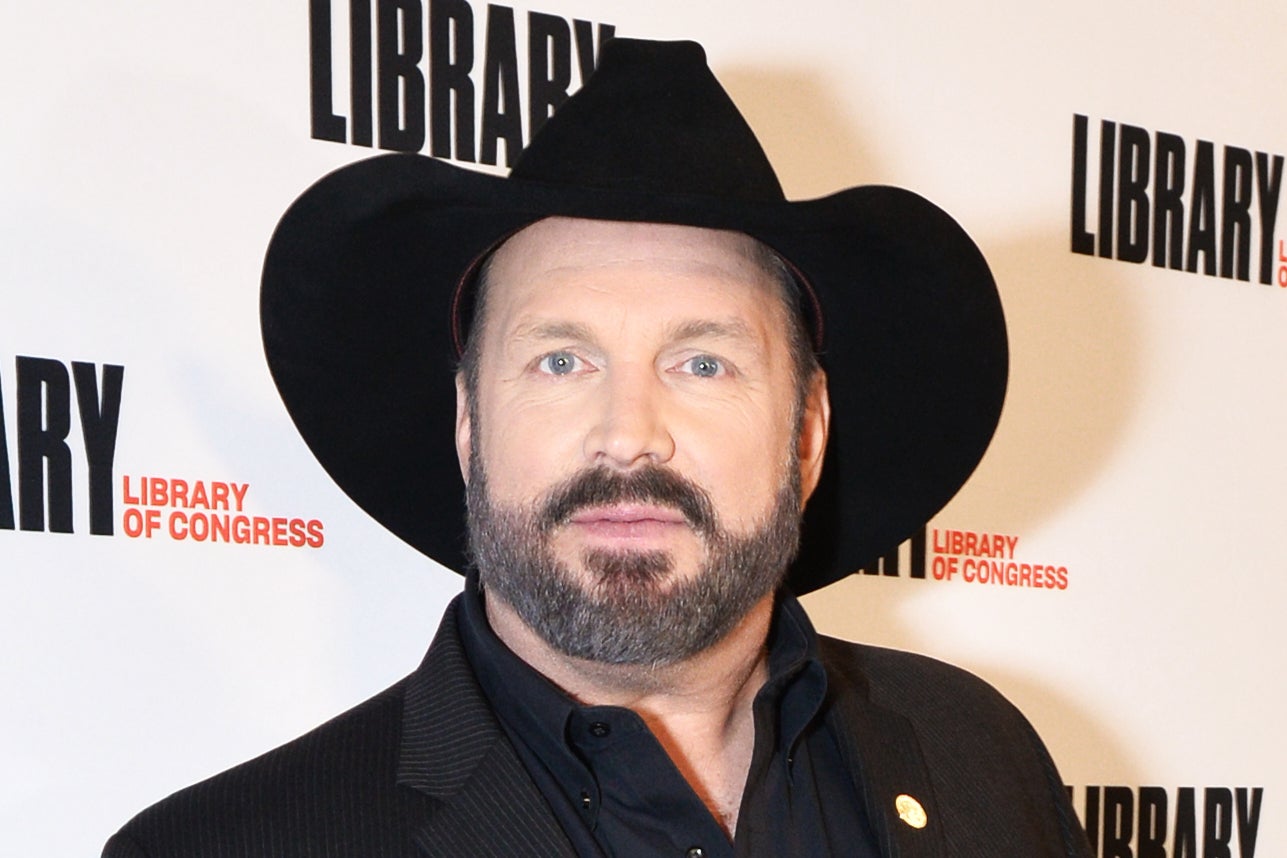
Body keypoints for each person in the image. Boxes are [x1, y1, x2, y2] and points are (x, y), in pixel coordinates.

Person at [104, 38, 1092, 857]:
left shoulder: (982, 762)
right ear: (467, 425)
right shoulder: (230, 846)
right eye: (561, 361)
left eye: (703, 364)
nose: (629, 434)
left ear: (807, 433)